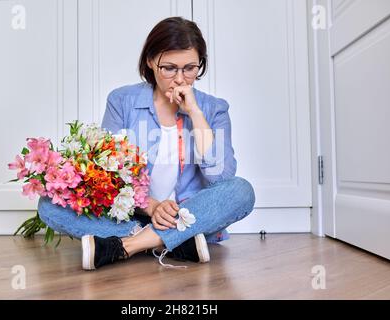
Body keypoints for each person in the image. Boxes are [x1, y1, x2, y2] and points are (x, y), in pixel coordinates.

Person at [38, 16, 256, 270]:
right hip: (136, 216)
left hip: (190, 215)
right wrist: (152, 208)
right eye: (169, 68)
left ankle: (126, 246)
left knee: (242, 191)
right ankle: (175, 242)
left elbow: (221, 179)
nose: (180, 79)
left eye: (190, 68)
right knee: (49, 205)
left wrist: (195, 112)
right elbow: (108, 177)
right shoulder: (122, 101)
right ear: (151, 61)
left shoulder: (214, 109)